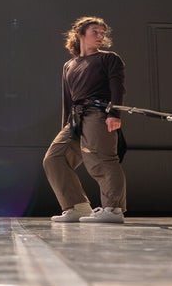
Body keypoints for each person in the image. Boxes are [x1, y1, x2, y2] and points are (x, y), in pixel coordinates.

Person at [43, 16, 127, 224]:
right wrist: (66, 126)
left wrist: (114, 114)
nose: (100, 36)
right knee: (54, 159)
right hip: (75, 118)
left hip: (99, 113)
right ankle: (77, 207)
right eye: (95, 32)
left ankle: (113, 209)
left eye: (102, 33)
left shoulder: (109, 59)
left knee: (102, 159)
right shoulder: (69, 65)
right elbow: (68, 99)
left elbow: (118, 88)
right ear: (80, 34)